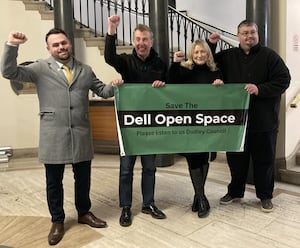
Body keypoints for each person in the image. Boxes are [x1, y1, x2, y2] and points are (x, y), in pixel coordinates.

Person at [1, 28, 123, 245]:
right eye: (55, 45)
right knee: (53, 181)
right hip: (53, 133)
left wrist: (114, 86)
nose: (61, 47)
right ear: (48, 48)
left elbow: (102, 91)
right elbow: (9, 72)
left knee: (83, 178)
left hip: (82, 133)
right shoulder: (39, 68)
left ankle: (84, 212)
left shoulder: (85, 70)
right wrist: (12, 45)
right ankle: (57, 221)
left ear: (70, 44)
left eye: (63, 43)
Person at [210, 20, 291, 212]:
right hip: (236, 122)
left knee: (264, 161)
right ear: (238, 36)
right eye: (245, 33)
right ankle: (235, 191)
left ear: (257, 34)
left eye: (252, 32)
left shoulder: (270, 57)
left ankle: (265, 196)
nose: (249, 36)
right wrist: (212, 45)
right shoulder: (227, 56)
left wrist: (260, 89)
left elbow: (284, 80)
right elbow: (206, 63)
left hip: (264, 121)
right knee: (236, 160)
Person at [104, 15, 167, 227]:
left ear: (151, 42)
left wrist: (163, 84)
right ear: (133, 41)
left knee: (150, 168)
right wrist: (111, 29)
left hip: (151, 124)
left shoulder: (160, 63)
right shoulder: (125, 61)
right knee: (126, 169)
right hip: (129, 125)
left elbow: (170, 89)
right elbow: (109, 57)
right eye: (138, 39)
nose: (141, 43)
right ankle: (125, 207)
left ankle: (148, 203)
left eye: (145, 39)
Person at [168, 39, 223, 218]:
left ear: (208, 54)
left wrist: (220, 87)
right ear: (192, 54)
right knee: (193, 159)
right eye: (196, 52)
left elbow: (223, 97)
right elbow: (170, 82)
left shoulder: (215, 72)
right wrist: (175, 63)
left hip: (208, 122)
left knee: (204, 158)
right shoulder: (185, 70)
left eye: (203, 52)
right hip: (189, 123)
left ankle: (199, 196)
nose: (200, 55)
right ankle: (201, 198)